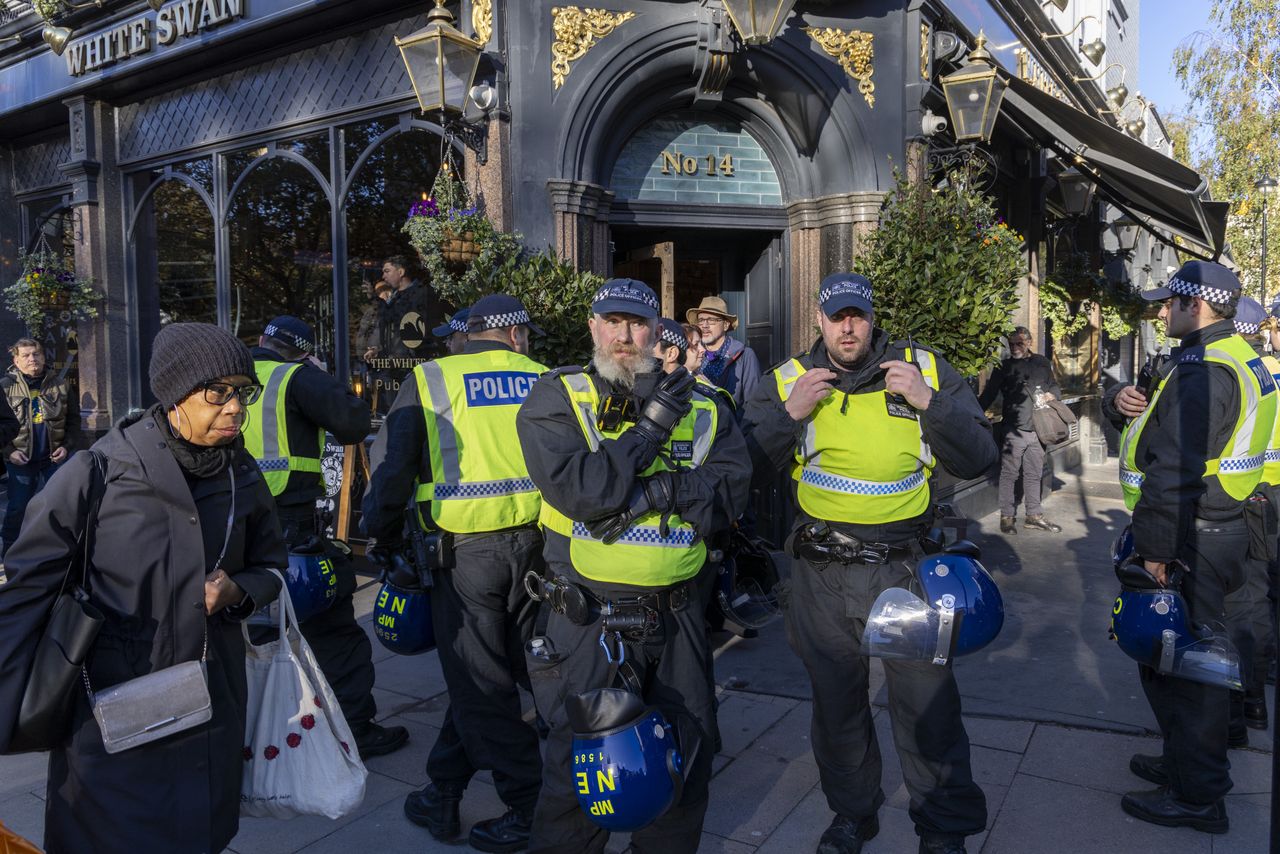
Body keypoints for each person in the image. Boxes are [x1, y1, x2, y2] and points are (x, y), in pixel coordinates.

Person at [0, 322, 287, 853]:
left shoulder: (240, 471)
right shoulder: (99, 471)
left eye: (242, 393)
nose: (234, 408)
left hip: (210, 699)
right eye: (217, 392)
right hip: (111, 708)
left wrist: (237, 591)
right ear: (177, 395)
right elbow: (24, 589)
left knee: (199, 833)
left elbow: (273, 565)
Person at [742, 273, 997, 854]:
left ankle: (943, 828)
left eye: (858, 315)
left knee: (927, 706)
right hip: (820, 576)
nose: (848, 327)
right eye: (837, 317)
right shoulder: (788, 380)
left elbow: (982, 454)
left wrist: (929, 404)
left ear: (872, 317)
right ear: (820, 319)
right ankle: (854, 814)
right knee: (837, 708)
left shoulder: (922, 371)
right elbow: (743, 472)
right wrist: (789, 414)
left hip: (902, 569)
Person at [516, 278, 750, 853]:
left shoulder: (706, 403)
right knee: (582, 773)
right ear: (593, 326)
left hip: (677, 621)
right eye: (612, 322)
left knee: (687, 760)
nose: (625, 335)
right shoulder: (559, 397)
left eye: (637, 323)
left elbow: (729, 495)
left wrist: (657, 491)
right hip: (589, 620)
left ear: (655, 332)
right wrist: (649, 432)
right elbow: (587, 494)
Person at [364, 294, 548, 853]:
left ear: (472, 334)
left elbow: (393, 468)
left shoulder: (431, 379)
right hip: (538, 553)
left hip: (464, 557)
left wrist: (381, 532)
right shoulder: (546, 379)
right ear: (515, 335)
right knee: (493, 676)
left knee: (481, 684)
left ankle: (529, 804)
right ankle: (442, 789)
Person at [1107, 262, 1275, 834]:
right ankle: (1184, 763)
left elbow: (1176, 466)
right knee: (1184, 660)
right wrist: (1122, 408)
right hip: (1218, 528)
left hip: (1191, 534)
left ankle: (1198, 795)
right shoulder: (1232, 356)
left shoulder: (1206, 369)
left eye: (1168, 303)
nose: (1160, 312)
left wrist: (1153, 551)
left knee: (1187, 667)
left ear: (1195, 306)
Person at [245, 316, 406, 757]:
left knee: (250, 634)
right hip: (291, 533)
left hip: (235, 531)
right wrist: (315, 372)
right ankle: (355, 729)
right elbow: (353, 423)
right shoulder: (295, 378)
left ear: (262, 341)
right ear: (302, 352)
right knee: (335, 630)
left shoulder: (229, 377)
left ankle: (253, 733)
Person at [1223, 296, 1279, 736]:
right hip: (1266, 494)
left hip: (1250, 496)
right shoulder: (1266, 371)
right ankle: (1256, 694)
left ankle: (1242, 704)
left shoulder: (1238, 371)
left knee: (1244, 600)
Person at [977, 326, 1063, 534]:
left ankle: (1034, 515)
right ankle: (1007, 517)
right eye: (1011, 343)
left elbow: (1054, 385)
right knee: (1009, 474)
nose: (1014, 347)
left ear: (1030, 342)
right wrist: (974, 414)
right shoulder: (1004, 366)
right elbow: (989, 394)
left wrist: (1053, 395)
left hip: (1040, 428)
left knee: (1034, 474)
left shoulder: (1042, 362)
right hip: (1014, 429)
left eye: (1019, 343)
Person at [1, 338, 75, 556]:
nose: (32, 359)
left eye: (36, 354)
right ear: (16, 360)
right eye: (25, 355)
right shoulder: (4, 387)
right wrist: (8, 451)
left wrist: (68, 447)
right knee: (18, 508)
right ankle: (10, 552)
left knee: (60, 506)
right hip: (20, 458)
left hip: (54, 458)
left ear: (43, 357)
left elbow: (74, 422)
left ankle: (58, 552)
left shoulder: (60, 384)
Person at [686, 296, 760, 408]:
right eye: (701, 320)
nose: (704, 325)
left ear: (725, 325)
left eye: (711, 320)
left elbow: (754, 403)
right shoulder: (692, 355)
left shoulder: (745, 355)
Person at [377, 255, 436, 358]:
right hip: (397, 357)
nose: (383, 276)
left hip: (412, 357)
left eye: (387, 271)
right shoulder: (395, 296)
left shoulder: (420, 294)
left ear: (401, 272)